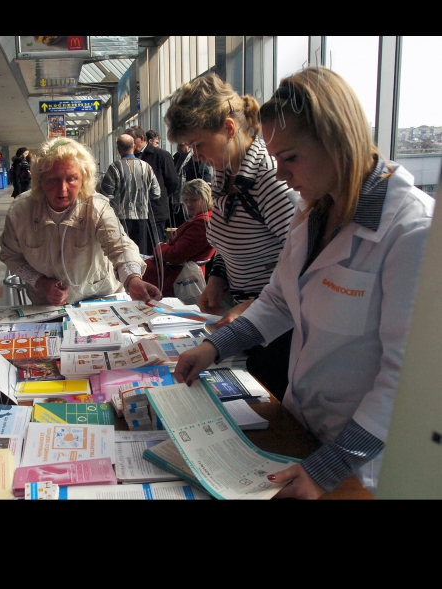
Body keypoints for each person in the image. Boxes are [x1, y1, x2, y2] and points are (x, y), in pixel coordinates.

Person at [175, 67, 434, 499]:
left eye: (290, 158)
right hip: (305, 430)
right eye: (275, 159)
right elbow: (278, 300)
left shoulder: (411, 230)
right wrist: (215, 346)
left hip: (357, 460)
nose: (280, 174)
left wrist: (332, 465)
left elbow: (404, 381)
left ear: (337, 142)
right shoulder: (315, 210)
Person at [164, 73, 298, 401]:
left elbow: (302, 262)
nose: (195, 155)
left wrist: (255, 304)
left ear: (228, 127)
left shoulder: (270, 181)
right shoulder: (225, 174)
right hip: (244, 316)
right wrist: (218, 280)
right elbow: (228, 240)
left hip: (278, 331)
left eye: (198, 144)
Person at [0, 138, 163, 306]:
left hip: (98, 300)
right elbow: (11, 255)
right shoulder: (20, 211)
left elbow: (120, 246)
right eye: (54, 180)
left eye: (71, 179)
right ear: (40, 179)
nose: (62, 189)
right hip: (47, 306)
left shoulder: (96, 206)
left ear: (83, 179)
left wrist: (132, 279)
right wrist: (41, 283)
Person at [143, 179, 216, 297]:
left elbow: (175, 256)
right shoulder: (206, 217)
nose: (188, 204)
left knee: (129, 271)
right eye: (186, 200)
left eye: (193, 200)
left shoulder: (202, 223)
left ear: (206, 198)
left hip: (174, 275)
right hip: (175, 270)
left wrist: (159, 247)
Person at [100, 134, 161, 255]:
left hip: (120, 219)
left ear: (118, 149)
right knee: (140, 254)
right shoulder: (146, 167)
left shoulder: (115, 167)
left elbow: (105, 194)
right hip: (142, 218)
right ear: (133, 146)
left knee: (123, 253)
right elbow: (156, 193)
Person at [125, 126, 179, 245]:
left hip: (155, 212)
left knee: (156, 246)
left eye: (132, 140)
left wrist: (160, 196)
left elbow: (173, 181)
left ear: (142, 138)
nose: (129, 144)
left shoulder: (161, 155)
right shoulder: (128, 158)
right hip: (135, 214)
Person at [170, 142, 214, 229]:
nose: (178, 148)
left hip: (191, 195)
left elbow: (204, 173)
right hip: (177, 199)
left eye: (181, 145)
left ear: (189, 146)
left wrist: (206, 183)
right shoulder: (176, 157)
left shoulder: (196, 159)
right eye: (178, 145)